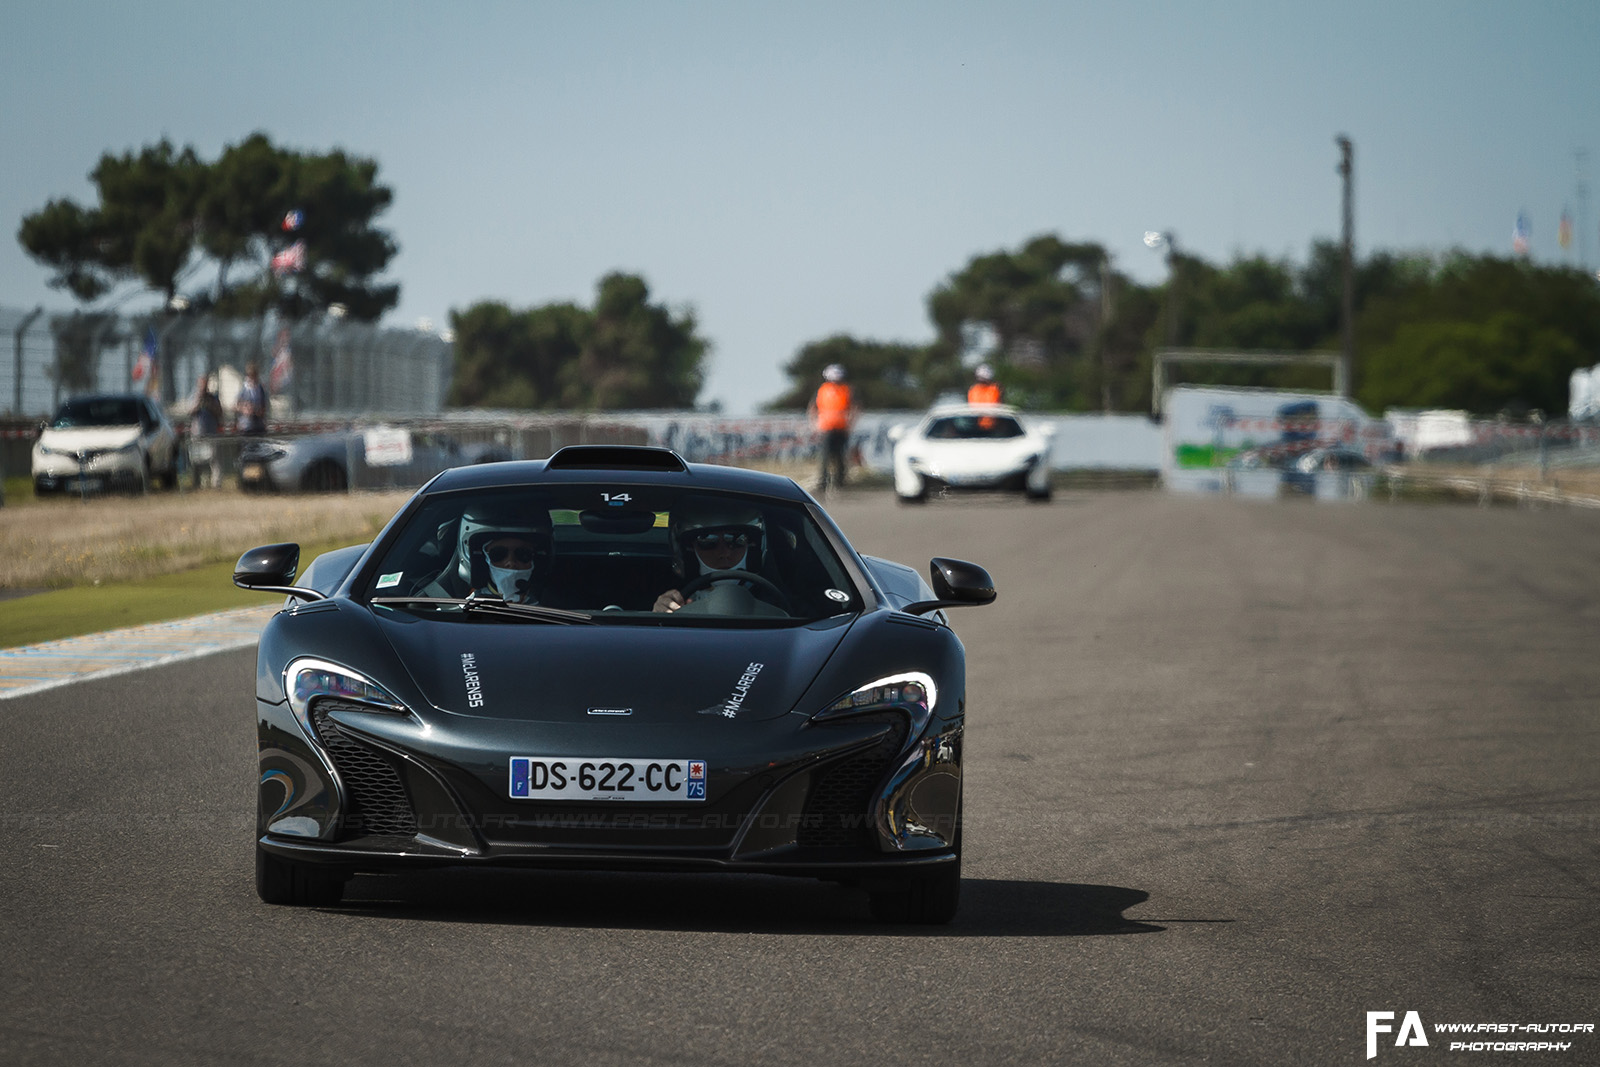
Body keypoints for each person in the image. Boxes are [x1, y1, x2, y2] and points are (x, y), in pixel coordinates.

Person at [653, 497, 769, 613]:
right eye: (707, 541)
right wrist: (661, 617)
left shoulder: (773, 599)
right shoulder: (676, 601)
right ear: (689, 550)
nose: (724, 553)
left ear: (751, 545)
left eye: (736, 540)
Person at [426, 501, 552, 604]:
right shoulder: (461, 612)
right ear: (480, 559)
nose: (511, 563)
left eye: (523, 554)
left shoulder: (559, 612)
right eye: (498, 554)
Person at [807, 363, 857, 492]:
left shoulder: (847, 390)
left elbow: (855, 407)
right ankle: (823, 481)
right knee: (825, 456)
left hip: (841, 428)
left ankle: (840, 481)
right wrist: (813, 423)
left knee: (840, 455)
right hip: (826, 428)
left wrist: (851, 423)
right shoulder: (822, 390)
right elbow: (812, 407)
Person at [188, 373, 224, 489]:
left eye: (205, 384)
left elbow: (220, 413)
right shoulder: (194, 397)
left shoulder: (213, 398)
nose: (203, 387)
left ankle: (216, 484)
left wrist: (210, 405)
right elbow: (190, 412)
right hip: (197, 433)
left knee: (214, 460)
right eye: (201, 384)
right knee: (196, 460)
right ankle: (197, 483)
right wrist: (198, 402)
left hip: (211, 433)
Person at [234, 362, 268, 435]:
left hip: (258, 426)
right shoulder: (243, 388)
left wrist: (256, 410)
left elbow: (264, 408)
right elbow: (236, 406)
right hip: (245, 426)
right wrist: (245, 409)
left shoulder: (260, 389)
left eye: (254, 375)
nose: (252, 378)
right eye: (250, 375)